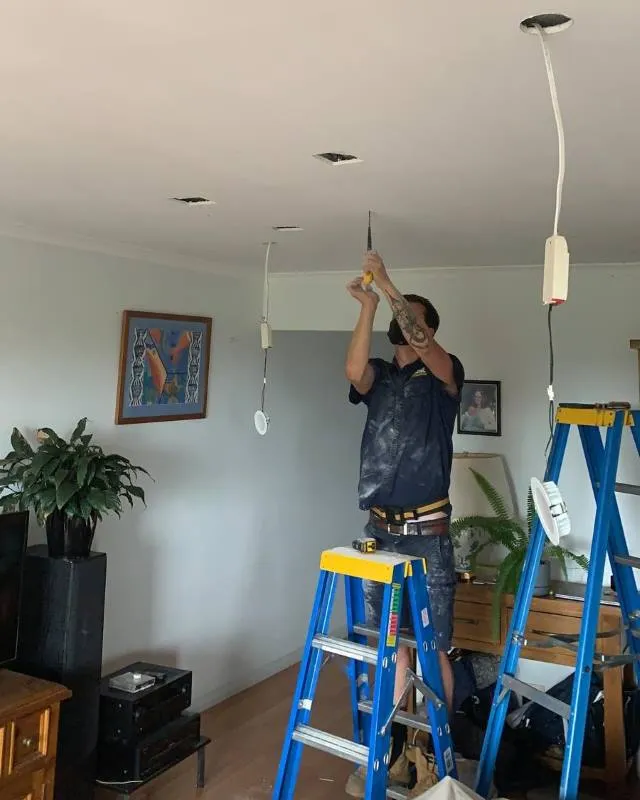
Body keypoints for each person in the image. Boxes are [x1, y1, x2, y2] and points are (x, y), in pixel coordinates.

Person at [344, 251, 464, 797]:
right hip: (381, 531)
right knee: (391, 647)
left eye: (410, 315)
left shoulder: (445, 374)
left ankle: (435, 755)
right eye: (399, 314)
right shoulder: (385, 379)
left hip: (428, 534)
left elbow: (419, 340)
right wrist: (368, 306)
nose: (403, 319)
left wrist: (389, 281)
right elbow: (353, 371)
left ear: (427, 329)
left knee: (433, 642)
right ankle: (394, 750)